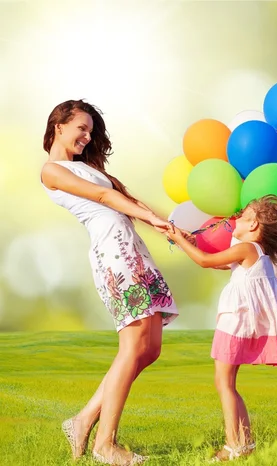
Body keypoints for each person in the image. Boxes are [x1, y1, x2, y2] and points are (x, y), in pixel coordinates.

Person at [40, 99, 178, 465]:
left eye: (90, 130)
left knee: (149, 349)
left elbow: (128, 198)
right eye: (81, 128)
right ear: (59, 126)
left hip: (133, 249)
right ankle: (105, 445)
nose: (87, 136)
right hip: (113, 253)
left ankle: (83, 419)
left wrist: (172, 228)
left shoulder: (90, 167)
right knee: (132, 346)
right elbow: (103, 197)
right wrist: (150, 220)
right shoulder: (51, 171)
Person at [165, 195, 277, 461]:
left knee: (224, 383)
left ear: (254, 225)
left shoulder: (248, 249)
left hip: (235, 323)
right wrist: (190, 243)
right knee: (228, 383)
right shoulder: (254, 252)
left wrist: (178, 241)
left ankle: (233, 445)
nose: (236, 218)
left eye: (243, 216)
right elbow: (219, 262)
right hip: (240, 322)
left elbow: (205, 262)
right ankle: (244, 443)